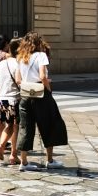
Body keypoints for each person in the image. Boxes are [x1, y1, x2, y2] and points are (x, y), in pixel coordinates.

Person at [15, 32, 68, 172]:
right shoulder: (41, 55)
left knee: (26, 127)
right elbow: (43, 76)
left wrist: (28, 87)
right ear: (39, 43)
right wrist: (48, 90)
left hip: (26, 95)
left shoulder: (21, 57)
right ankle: (49, 160)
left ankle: (24, 162)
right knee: (49, 125)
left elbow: (18, 80)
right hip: (41, 95)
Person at [0, 39, 20, 165]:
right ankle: (11, 153)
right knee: (15, 127)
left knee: (8, 125)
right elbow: (20, 81)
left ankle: (4, 148)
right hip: (13, 99)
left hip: (1, 99)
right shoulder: (18, 64)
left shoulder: (2, 64)